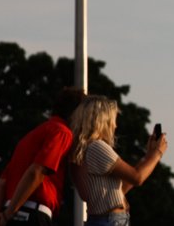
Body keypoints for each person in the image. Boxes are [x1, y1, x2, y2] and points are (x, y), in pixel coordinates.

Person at [0, 87, 86, 226]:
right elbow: (37, 172)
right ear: (76, 113)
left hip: (9, 212)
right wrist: (8, 214)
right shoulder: (62, 132)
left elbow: (1, 183)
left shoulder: (29, 137)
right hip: (30, 214)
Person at [68, 96, 168, 225]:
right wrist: (157, 153)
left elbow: (120, 188)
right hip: (110, 221)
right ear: (102, 120)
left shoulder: (82, 150)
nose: (115, 125)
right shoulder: (97, 147)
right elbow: (137, 177)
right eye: (113, 120)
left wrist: (148, 157)